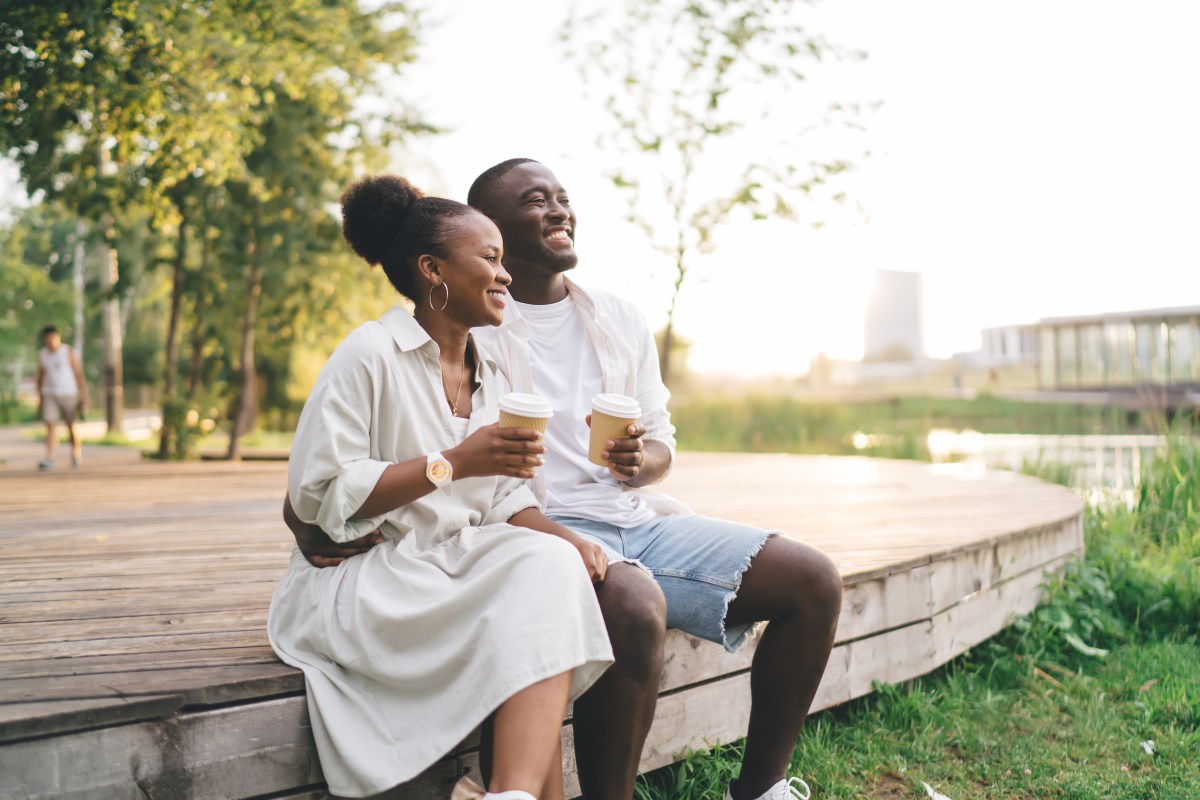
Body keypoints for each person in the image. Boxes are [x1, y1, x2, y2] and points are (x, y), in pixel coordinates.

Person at [291, 160, 844, 800]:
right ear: (461, 248)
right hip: (509, 536)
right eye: (534, 202)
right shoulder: (464, 333)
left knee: (814, 579)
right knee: (602, 599)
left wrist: (641, 461)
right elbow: (330, 477)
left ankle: (757, 792)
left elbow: (641, 444)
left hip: (622, 519)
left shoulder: (600, 322)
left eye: (562, 197)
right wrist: (312, 517)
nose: (559, 210)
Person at [269, 174, 614, 800]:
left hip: (449, 567)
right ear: (433, 271)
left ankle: (507, 793)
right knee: (535, 598)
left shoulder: (497, 365)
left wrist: (565, 536)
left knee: (552, 561)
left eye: (504, 259)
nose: (505, 274)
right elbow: (319, 492)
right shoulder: (370, 352)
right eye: (489, 258)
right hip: (367, 577)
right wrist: (450, 462)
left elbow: (508, 499)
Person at [35, 324, 87, 470]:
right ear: (44, 339)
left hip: (69, 393)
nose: (50, 341)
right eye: (47, 338)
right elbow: (40, 377)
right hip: (49, 394)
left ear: (58, 337)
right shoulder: (43, 354)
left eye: (53, 338)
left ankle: (76, 453)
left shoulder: (67, 351)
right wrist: (39, 397)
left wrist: (84, 396)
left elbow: (79, 374)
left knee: (71, 425)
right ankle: (50, 458)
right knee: (50, 426)